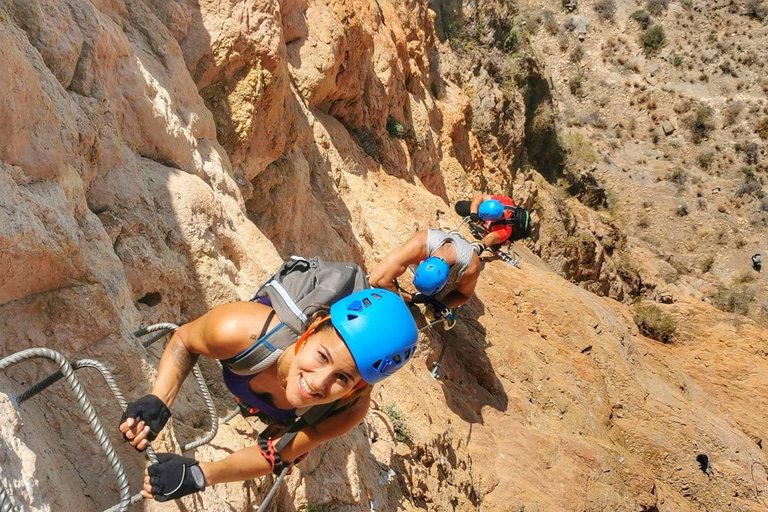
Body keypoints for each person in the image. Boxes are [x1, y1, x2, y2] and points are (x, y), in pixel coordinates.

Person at [119, 288, 417, 502]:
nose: (317, 383)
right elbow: (185, 340)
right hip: (255, 355)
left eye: (342, 378)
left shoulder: (347, 410)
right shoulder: (239, 330)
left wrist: (202, 475)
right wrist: (159, 399)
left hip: (285, 407)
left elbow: (278, 452)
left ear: (357, 387)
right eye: (322, 357)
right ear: (310, 331)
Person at [368, 229, 481, 308]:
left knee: (470, 251)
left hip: (465, 256)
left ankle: (473, 245)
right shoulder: (420, 244)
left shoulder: (470, 268)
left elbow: (464, 294)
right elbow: (376, 280)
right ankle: (454, 236)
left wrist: (443, 305)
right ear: (421, 262)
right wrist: (411, 298)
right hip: (435, 239)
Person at [454, 193, 530, 252]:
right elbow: (481, 197)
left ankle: (499, 243)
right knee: (461, 207)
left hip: (504, 235)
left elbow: (491, 238)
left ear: (492, 220)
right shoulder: (506, 201)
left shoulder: (505, 230)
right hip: (493, 219)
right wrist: (473, 213)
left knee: (500, 241)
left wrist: (481, 246)